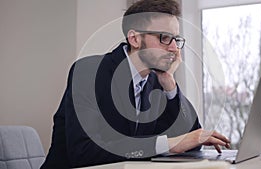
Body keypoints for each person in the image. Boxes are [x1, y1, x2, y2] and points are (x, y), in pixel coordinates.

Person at [41, 0, 230, 168]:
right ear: (135, 39)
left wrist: (170, 86)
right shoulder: (89, 72)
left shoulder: (156, 81)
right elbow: (84, 153)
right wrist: (168, 144)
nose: (173, 48)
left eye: (175, 39)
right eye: (164, 38)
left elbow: (192, 139)